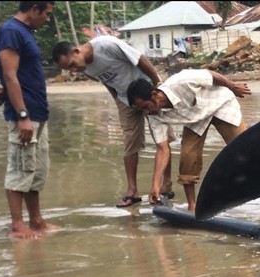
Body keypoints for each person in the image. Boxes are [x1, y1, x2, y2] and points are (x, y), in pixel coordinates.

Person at [51, 37, 176, 208]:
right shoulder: (84, 68)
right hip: (125, 100)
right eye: (69, 69)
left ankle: (165, 186)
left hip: (146, 92)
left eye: (72, 64)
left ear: (76, 51)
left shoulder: (106, 45)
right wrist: (116, 97)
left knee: (162, 139)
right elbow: (105, 80)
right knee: (130, 142)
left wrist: (158, 85)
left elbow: (141, 60)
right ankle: (132, 191)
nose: (74, 70)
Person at [126, 69, 251, 212]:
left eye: (146, 107)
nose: (146, 113)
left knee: (244, 149)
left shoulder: (181, 81)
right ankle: (192, 205)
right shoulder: (154, 115)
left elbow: (210, 75)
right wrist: (155, 185)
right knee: (188, 156)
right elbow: (162, 148)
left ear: (154, 95)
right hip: (195, 118)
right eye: (141, 111)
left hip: (220, 103)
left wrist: (232, 86)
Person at [0, 1, 56, 239]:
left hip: (38, 112)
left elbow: (19, 76)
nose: (47, 19)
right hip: (25, 115)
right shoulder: (11, 31)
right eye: (47, 14)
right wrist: (22, 115)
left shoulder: (25, 33)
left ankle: (36, 220)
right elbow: (10, 74)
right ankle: (17, 225)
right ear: (34, 8)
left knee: (36, 170)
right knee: (20, 167)